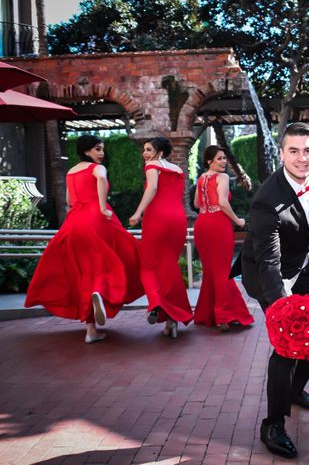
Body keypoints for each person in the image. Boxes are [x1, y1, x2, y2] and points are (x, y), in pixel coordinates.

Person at [231, 122, 309, 459]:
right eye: (293, 151)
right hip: (270, 274)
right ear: (281, 153)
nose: (302, 158)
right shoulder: (266, 201)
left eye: (308, 150)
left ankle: (294, 389)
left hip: (304, 264)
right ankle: (272, 424)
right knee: (289, 345)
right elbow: (269, 261)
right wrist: (283, 306)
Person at [25, 135, 144, 343]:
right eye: (98, 149)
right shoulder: (97, 169)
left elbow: (69, 200)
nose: (102, 153)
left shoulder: (71, 171)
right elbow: (100, 179)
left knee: (84, 270)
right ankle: (102, 291)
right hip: (97, 218)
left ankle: (91, 330)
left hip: (74, 222)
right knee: (124, 254)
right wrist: (101, 207)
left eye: (102, 149)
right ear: (87, 150)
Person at [129, 137, 193, 338]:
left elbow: (153, 188)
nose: (145, 154)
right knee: (169, 267)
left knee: (148, 265)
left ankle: (156, 303)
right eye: (144, 150)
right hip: (177, 219)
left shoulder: (151, 166)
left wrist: (138, 212)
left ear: (160, 152)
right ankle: (171, 320)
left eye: (149, 149)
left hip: (157, 218)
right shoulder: (178, 170)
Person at [193, 145, 254, 330]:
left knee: (210, 271)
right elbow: (222, 202)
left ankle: (207, 314)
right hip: (218, 224)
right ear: (209, 161)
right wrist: (238, 221)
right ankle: (224, 316)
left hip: (202, 224)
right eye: (219, 158)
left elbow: (196, 203)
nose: (223, 162)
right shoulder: (223, 177)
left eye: (224, 158)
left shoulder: (202, 178)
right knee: (222, 271)